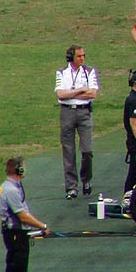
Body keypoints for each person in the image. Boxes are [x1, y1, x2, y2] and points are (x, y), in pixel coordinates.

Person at [1, 158, 48, 272]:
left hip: (13, 232)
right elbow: (22, 216)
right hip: (16, 233)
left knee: (12, 269)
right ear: (19, 171)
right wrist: (42, 226)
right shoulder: (12, 191)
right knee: (18, 271)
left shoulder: (10, 187)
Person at [55, 46, 100, 199]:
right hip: (67, 112)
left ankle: (86, 180)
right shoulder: (62, 72)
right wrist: (80, 90)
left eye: (83, 55)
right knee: (68, 151)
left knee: (87, 150)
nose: (82, 58)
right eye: (79, 56)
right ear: (71, 57)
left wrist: (71, 94)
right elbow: (60, 95)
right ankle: (71, 187)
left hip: (84, 112)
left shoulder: (89, 71)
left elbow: (93, 93)